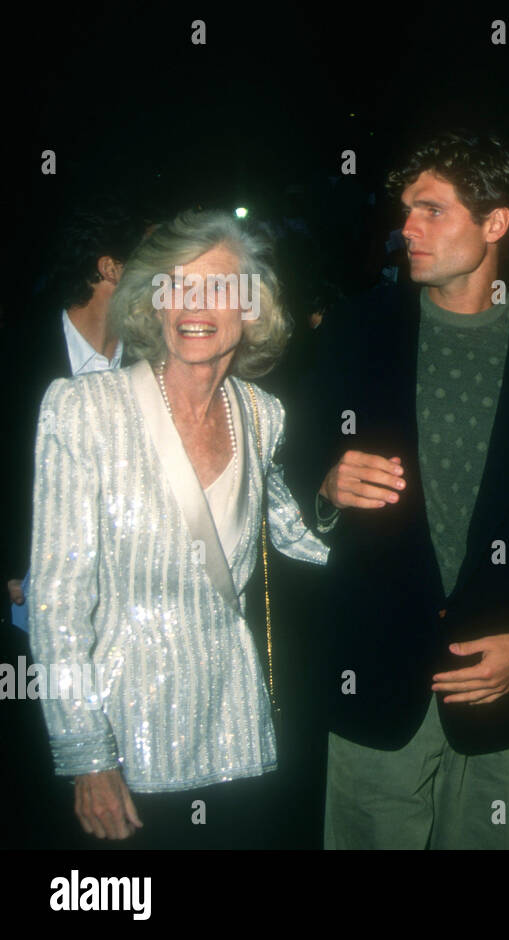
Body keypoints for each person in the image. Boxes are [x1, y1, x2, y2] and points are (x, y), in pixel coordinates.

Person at [282, 130, 509, 850]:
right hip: (375, 681)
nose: (406, 228)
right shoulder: (354, 331)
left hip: (498, 692)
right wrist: (324, 484)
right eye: (405, 210)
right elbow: (291, 459)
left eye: (432, 210)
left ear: (495, 223)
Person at [27, 209, 328, 848]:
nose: (194, 304)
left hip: (237, 731)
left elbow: (298, 537)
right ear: (152, 305)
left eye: (218, 287)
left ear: (251, 309)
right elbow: (56, 606)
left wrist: (346, 501)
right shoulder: (84, 412)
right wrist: (86, 757)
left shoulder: (263, 414)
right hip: (127, 744)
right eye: (175, 286)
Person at [0, 200, 146, 849]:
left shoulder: (153, 359)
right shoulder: (16, 350)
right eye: (153, 260)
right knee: (44, 789)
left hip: (131, 623)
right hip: (32, 618)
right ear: (109, 267)